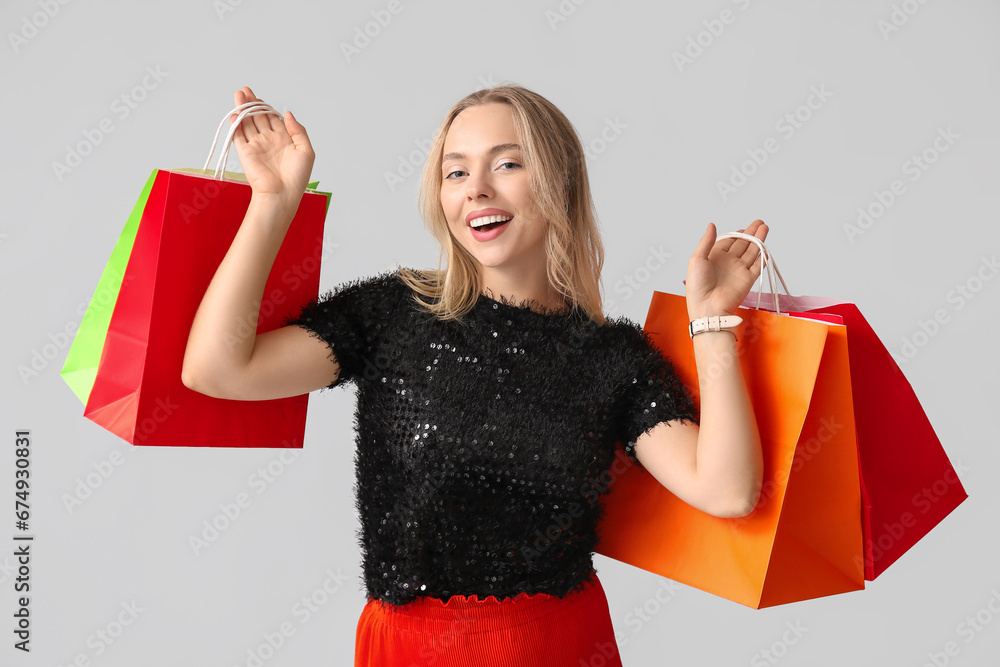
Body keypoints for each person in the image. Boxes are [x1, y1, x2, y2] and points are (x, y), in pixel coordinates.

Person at [182, 84, 766, 666]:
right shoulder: (393, 313)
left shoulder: (612, 357)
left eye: (507, 164)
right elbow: (218, 369)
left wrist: (712, 323)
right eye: (455, 173)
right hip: (409, 649)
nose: (476, 190)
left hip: (555, 647)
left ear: (559, 182)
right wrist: (275, 200)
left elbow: (727, 490)